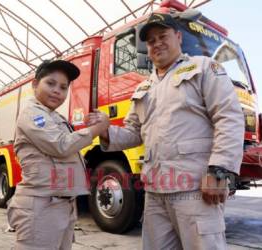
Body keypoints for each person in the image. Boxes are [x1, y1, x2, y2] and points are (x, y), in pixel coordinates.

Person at [87, 13, 244, 250]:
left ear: (178, 37)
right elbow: (133, 132)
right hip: (154, 192)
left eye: (163, 36)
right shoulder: (144, 87)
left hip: (195, 188)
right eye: (151, 41)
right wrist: (106, 131)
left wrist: (219, 171)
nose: (157, 43)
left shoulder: (203, 68)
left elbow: (228, 117)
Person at [7, 59, 108, 250]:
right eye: (50, 83)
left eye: (63, 87)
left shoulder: (55, 117)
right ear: (35, 84)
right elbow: (60, 145)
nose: (57, 91)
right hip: (41, 207)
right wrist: (96, 129)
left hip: (61, 204)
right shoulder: (32, 114)